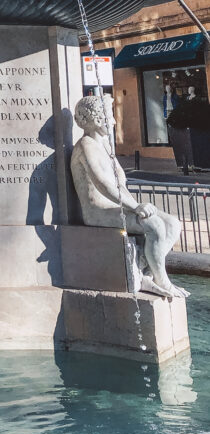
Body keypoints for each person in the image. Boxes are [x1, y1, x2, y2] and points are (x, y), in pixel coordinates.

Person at [70, 95, 188, 299]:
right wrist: (135, 207)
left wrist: (137, 204)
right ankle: (163, 281)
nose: (114, 122)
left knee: (172, 223)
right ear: (97, 120)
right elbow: (103, 184)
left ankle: (145, 273)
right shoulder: (86, 146)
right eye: (110, 116)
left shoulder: (105, 147)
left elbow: (119, 185)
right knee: (155, 226)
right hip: (98, 211)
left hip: (117, 207)